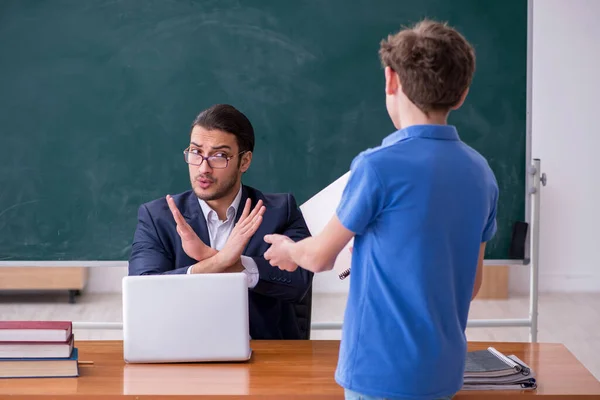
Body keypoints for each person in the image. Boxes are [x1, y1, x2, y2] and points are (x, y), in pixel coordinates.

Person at [263, 19, 498, 399]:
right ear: (462, 95)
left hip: (378, 373)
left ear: (391, 80)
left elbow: (321, 256)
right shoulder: (481, 173)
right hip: (443, 374)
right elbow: (469, 285)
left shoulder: (377, 166)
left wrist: (290, 251)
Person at [129, 104, 313, 340]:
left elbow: (299, 282)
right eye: (196, 153)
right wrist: (222, 262)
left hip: (266, 358)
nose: (203, 168)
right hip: (181, 351)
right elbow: (142, 292)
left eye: (219, 156)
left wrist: (232, 263)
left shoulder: (279, 211)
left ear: (244, 161)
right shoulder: (158, 217)